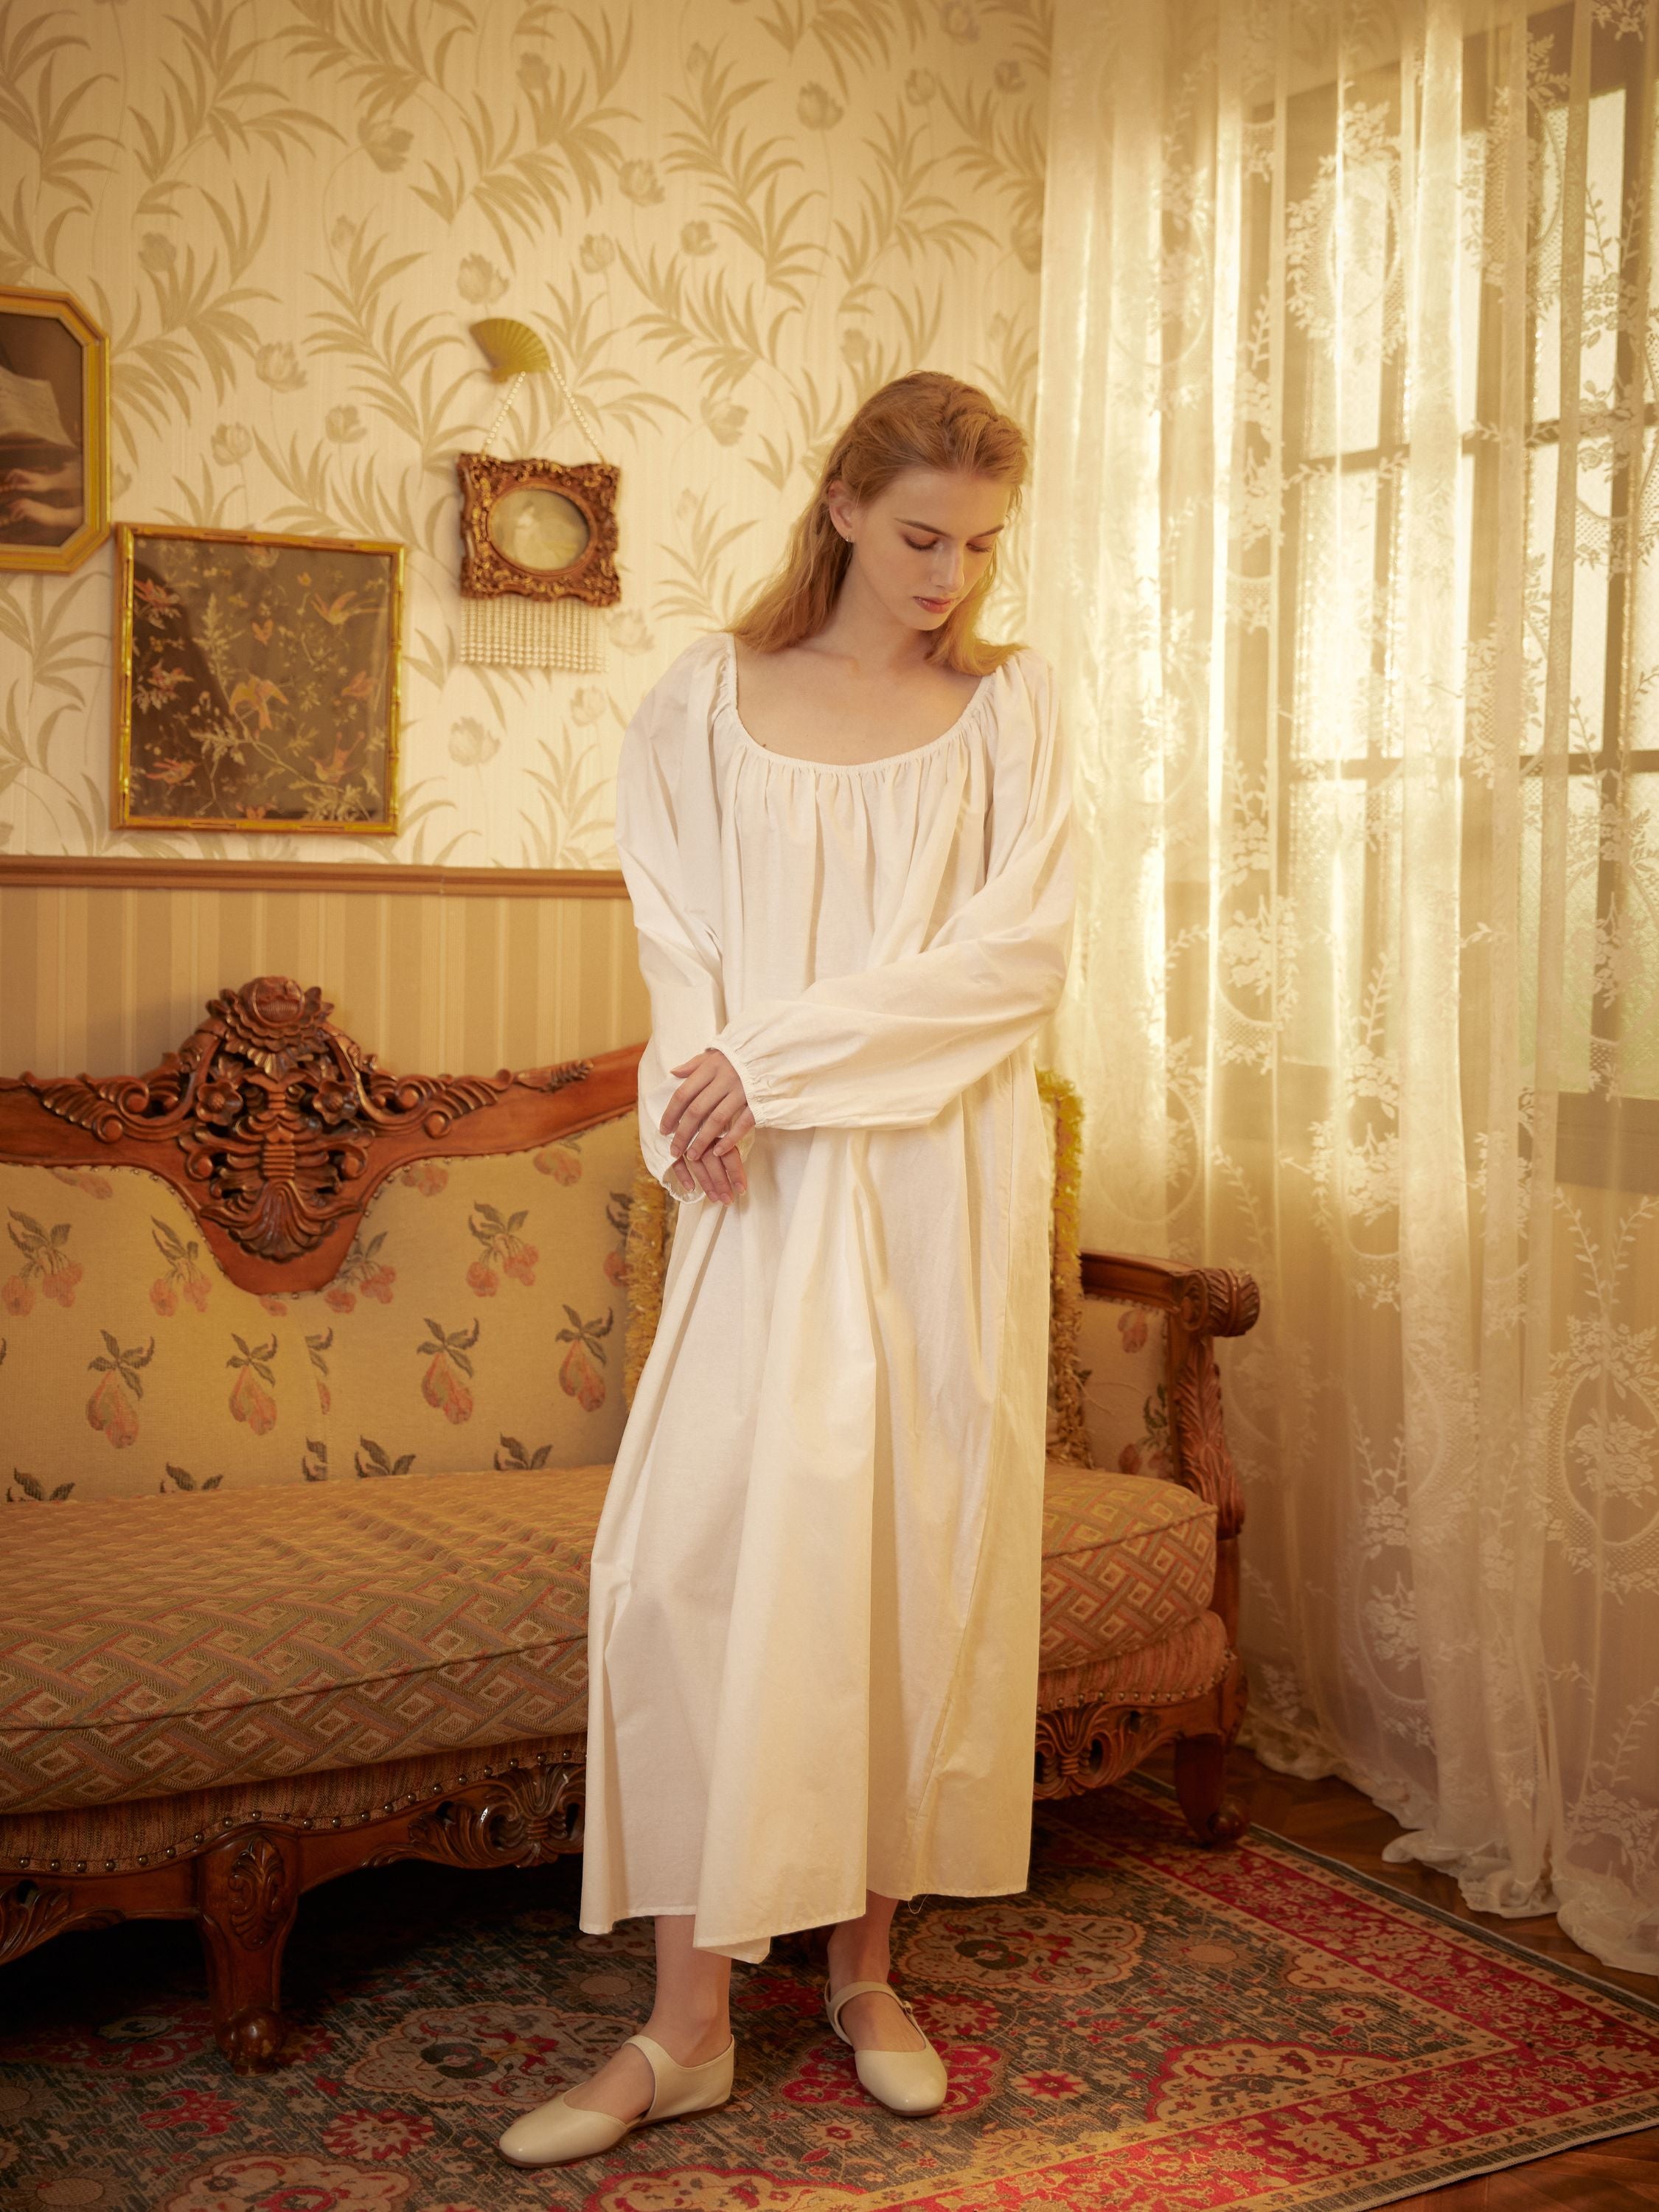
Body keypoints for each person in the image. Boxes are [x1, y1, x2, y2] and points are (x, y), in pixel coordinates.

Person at [498, 370, 1077, 2170]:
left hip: (933, 1184)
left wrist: (778, 1060)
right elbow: (679, 936)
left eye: (978, 544)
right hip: (758, 1189)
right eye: (919, 536)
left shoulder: (1007, 711)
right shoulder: (704, 700)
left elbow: (1015, 962)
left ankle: (864, 1970)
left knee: (903, 1557)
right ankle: (684, 2031)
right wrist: (708, 1095)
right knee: (693, 1568)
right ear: (839, 507)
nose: (948, 574)